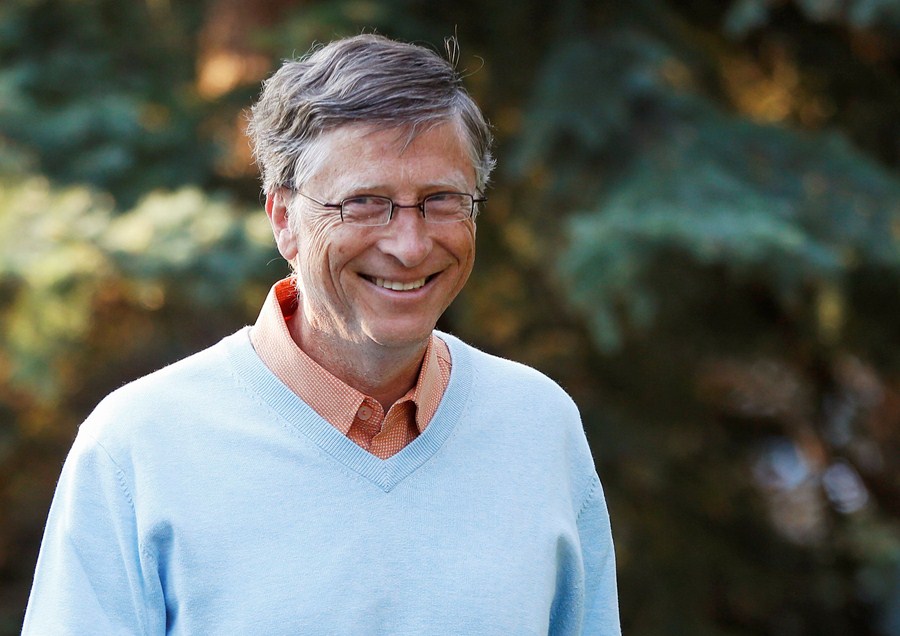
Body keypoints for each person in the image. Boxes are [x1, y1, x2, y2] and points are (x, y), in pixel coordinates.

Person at [23, 34, 620, 635]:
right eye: (364, 203)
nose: (409, 246)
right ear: (284, 218)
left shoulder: (539, 427)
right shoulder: (137, 446)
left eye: (441, 200)